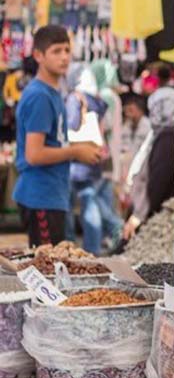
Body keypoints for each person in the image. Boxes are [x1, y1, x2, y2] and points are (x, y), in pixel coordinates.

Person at [13, 25, 102, 248]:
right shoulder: (39, 96)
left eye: (66, 50)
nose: (64, 57)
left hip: (53, 194)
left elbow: (54, 142)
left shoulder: (53, 92)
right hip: (40, 195)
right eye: (56, 51)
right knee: (47, 271)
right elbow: (34, 154)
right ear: (38, 55)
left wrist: (81, 147)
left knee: (55, 268)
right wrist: (76, 151)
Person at [65, 63, 124, 255]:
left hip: (80, 159)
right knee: (92, 201)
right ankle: (95, 245)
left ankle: (81, 245)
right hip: (98, 156)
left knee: (83, 202)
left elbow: (72, 125)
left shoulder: (76, 98)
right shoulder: (97, 98)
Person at [121, 71, 174, 241]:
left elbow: (158, 183)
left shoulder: (168, 139)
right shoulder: (167, 135)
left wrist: (140, 215)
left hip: (160, 219)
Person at [119, 92, 151, 182]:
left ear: (140, 110)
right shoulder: (126, 125)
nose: (127, 113)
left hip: (143, 167)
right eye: (126, 110)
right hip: (127, 167)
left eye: (131, 110)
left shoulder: (148, 126)